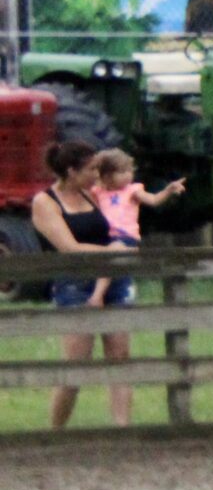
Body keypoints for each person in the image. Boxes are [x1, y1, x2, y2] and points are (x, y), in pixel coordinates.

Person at [28, 140, 137, 428]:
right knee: (76, 365)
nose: (96, 175)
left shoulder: (91, 195)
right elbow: (69, 247)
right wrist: (113, 252)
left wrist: (118, 246)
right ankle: (56, 432)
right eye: (90, 169)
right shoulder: (45, 202)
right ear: (71, 171)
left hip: (112, 280)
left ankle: (122, 430)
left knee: (120, 358)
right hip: (75, 283)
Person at [91, 149, 185, 249]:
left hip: (126, 236)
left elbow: (153, 200)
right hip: (105, 236)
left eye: (130, 170)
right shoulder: (98, 191)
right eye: (122, 171)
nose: (128, 175)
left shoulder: (132, 190)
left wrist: (168, 190)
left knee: (116, 249)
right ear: (106, 176)